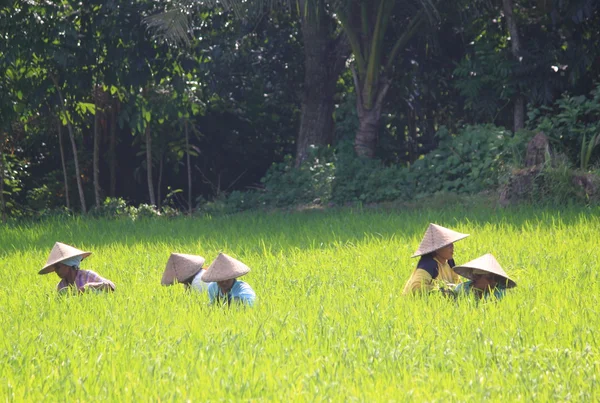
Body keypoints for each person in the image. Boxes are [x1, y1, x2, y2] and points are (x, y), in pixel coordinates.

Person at [402, 223, 470, 295]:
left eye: (452, 243)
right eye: (448, 245)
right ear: (437, 249)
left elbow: (457, 284)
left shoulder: (449, 262)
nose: (452, 247)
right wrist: (441, 290)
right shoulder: (428, 264)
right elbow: (416, 287)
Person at [38, 242, 115, 293]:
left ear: (69, 265)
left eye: (58, 267)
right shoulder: (61, 286)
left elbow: (111, 286)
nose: (56, 271)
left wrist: (88, 287)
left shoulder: (87, 275)